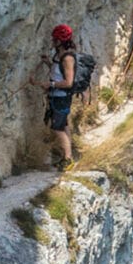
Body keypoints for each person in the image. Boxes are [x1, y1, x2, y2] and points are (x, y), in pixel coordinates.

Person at [30, 24, 77, 171]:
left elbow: (68, 82)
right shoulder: (60, 55)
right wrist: (47, 63)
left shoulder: (67, 58)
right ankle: (67, 157)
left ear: (59, 40)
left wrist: (50, 84)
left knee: (57, 128)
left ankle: (68, 159)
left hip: (61, 97)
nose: (52, 40)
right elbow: (58, 72)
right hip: (58, 96)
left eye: (54, 39)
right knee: (63, 126)